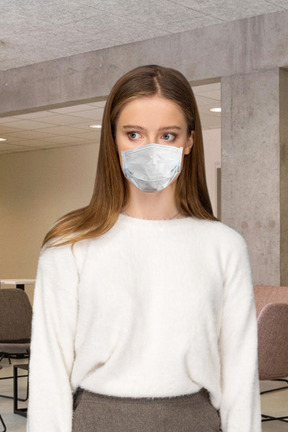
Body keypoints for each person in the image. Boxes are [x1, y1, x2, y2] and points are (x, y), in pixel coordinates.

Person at [27, 65, 261, 432]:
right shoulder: (69, 246)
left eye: (167, 135)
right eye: (134, 134)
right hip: (96, 420)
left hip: (194, 421)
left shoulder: (224, 247)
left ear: (189, 143)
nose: (150, 148)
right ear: (113, 140)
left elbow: (240, 377)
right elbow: (49, 374)